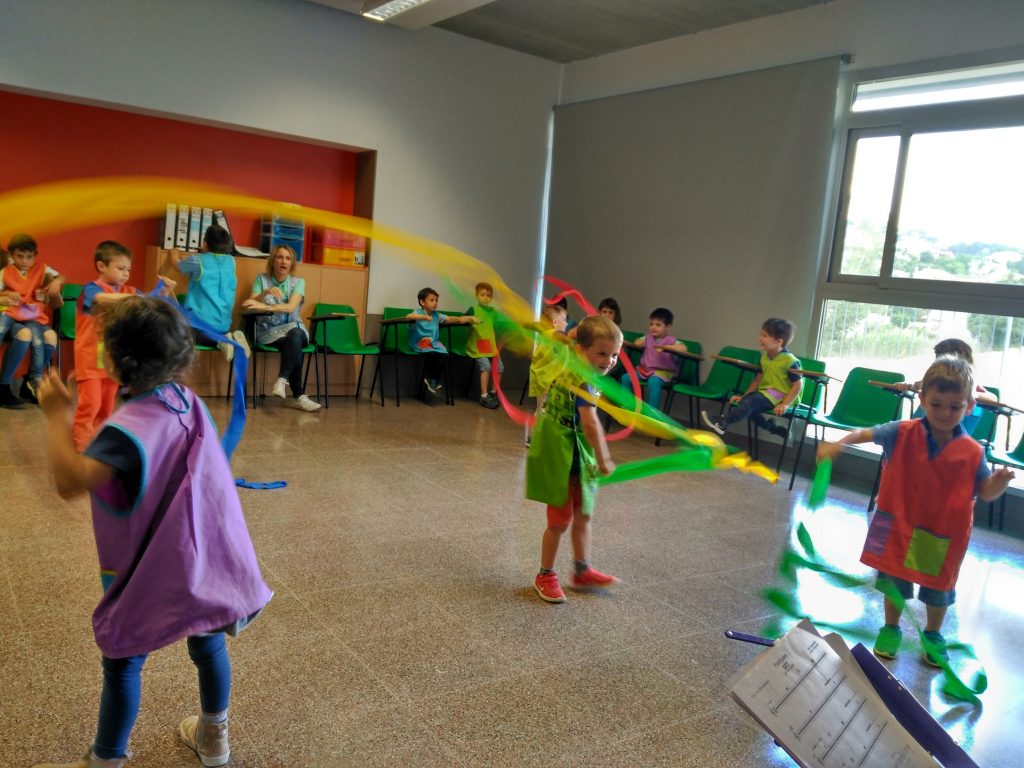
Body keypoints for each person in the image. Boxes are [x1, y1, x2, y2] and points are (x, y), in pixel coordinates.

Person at [35, 296, 272, 768]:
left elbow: (69, 482)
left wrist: (57, 415)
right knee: (208, 641)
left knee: (124, 657)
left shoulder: (123, 433)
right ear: (180, 358)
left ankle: (106, 759)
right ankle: (214, 739)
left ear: (113, 361)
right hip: (203, 559)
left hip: (152, 566)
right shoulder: (186, 401)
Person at [816, 356, 1013, 666]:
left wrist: (999, 483)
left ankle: (933, 634)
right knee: (893, 581)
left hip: (941, 531)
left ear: (970, 406)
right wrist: (837, 445)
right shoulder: (901, 431)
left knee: (937, 589)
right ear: (922, 399)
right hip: (897, 522)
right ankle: (890, 628)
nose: (945, 413)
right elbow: (865, 433)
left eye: (955, 407)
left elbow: (985, 492)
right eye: (936, 404)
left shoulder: (973, 452)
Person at [526, 315, 622, 603]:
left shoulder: (577, 359)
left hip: (577, 449)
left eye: (614, 354)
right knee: (559, 520)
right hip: (562, 449)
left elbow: (568, 338)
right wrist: (605, 459)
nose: (609, 361)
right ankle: (545, 575)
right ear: (582, 351)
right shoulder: (583, 379)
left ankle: (582, 571)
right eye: (602, 353)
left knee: (584, 513)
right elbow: (591, 424)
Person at [73, 242, 153, 451]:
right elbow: (102, 299)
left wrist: (164, 290)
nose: (126, 273)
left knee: (107, 408)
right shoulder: (90, 289)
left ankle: (99, 446)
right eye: (120, 268)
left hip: (113, 362)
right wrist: (135, 298)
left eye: (128, 269)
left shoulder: (130, 290)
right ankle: (81, 448)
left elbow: (149, 301)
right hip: (90, 360)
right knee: (90, 405)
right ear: (101, 266)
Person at [241, 244, 321, 412]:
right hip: (269, 332)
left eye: (288, 258)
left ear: (291, 263)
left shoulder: (298, 282)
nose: (283, 261)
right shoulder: (261, 279)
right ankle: (298, 396)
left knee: (295, 335)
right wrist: (265, 293)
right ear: (273, 261)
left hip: (294, 327)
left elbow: (291, 307)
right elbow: (249, 304)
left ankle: (282, 379)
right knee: (293, 343)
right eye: (279, 257)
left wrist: (265, 307)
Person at [702, 317, 801, 440]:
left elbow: (797, 385)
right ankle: (773, 428)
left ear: (778, 341)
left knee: (752, 402)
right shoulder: (764, 357)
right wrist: (743, 397)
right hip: (766, 393)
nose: (760, 338)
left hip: (781, 395)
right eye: (761, 335)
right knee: (748, 404)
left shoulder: (790, 361)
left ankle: (724, 423)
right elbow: (757, 380)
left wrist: (785, 404)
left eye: (764, 336)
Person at [165, 224, 248, 362]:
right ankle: (230, 338)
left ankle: (220, 340)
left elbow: (177, 265)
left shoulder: (198, 260)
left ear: (204, 243)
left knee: (183, 334)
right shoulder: (231, 261)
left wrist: (174, 252)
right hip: (224, 326)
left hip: (200, 326)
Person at [0, 233, 64, 406]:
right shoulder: (6, 272)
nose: (24, 261)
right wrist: (6, 296)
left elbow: (58, 280)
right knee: (27, 334)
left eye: (29, 257)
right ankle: (11, 385)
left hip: (32, 316)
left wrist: (54, 285)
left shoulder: (40, 269)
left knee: (51, 337)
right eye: (20, 256)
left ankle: (30, 383)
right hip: (12, 316)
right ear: (11, 256)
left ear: (34, 256)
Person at [897, 339, 996, 437]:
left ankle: (913, 434)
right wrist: (908, 385)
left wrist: (972, 394)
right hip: (927, 434)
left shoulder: (969, 380)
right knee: (931, 399)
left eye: (940, 359)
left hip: (957, 437)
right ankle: (912, 433)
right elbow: (919, 384)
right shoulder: (937, 380)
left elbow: (993, 398)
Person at [405, 287, 477, 397]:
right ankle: (431, 378)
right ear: (422, 302)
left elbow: (448, 319)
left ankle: (432, 379)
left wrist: (461, 319)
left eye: (436, 301)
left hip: (433, 342)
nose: (435, 303)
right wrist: (423, 317)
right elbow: (408, 317)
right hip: (420, 342)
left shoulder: (436, 315)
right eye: (432, 300)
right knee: (433, 354)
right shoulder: (417, 313)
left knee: (444, 354)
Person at [619, 307, 688, 408]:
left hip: (663, 372)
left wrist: (667, 347)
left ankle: (652, 410)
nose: (653, 327)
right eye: (651, 324)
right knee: (625, 378)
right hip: (644, 370)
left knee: (654, 381)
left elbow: (684, 348)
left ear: (668, 326)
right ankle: (626, 405)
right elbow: (637, 342)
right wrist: (640, 342)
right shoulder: (648, 337)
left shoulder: (671, 340)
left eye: (658, 325)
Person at [526, 303, 571, 445]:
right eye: (565, 319)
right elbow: (564, 339)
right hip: (547, 379)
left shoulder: (546, 334)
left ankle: (541, 436)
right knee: (543, 410)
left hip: (545, 378)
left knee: (545, 409)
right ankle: (534, 437)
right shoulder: (553, 334)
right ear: (555, 322)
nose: (567, 323)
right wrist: (575, 340)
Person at [465, 281, 503, 409]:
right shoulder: (473, 309)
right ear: (477, 296)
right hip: (476, 346)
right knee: (486, 366)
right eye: (482, 295)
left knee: (500, 367)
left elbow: (497, 327)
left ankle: (493, 393)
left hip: (490, 346)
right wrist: (470, 319)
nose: (486, 298)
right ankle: (484, 395)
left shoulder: (493, 312)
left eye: (488, 295)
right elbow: (463, 320)